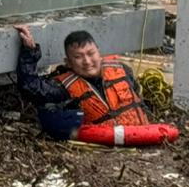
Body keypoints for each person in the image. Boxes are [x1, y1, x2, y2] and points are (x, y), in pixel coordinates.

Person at [13, 25, 148, 127]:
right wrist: (30, 51)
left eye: (91, 53)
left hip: (143, 135)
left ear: (99, 53)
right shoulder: (64, 88)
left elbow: (138, 101)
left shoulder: (123, 70)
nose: (87, 62)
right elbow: (31, 88)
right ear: (68, 63)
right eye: (78, 57)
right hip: (104, 145)